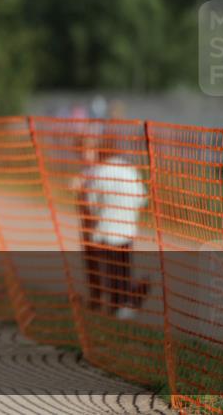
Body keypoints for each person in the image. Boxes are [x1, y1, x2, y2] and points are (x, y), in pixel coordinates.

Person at [76, 133, 150, 319]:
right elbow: (142, 199)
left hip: (105, 232)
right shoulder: (131, 171)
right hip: (126, 231)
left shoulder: (99, 173)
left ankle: (119, 304)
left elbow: (90, 204)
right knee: (123, 269)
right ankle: (125, 300)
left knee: (110, 272)